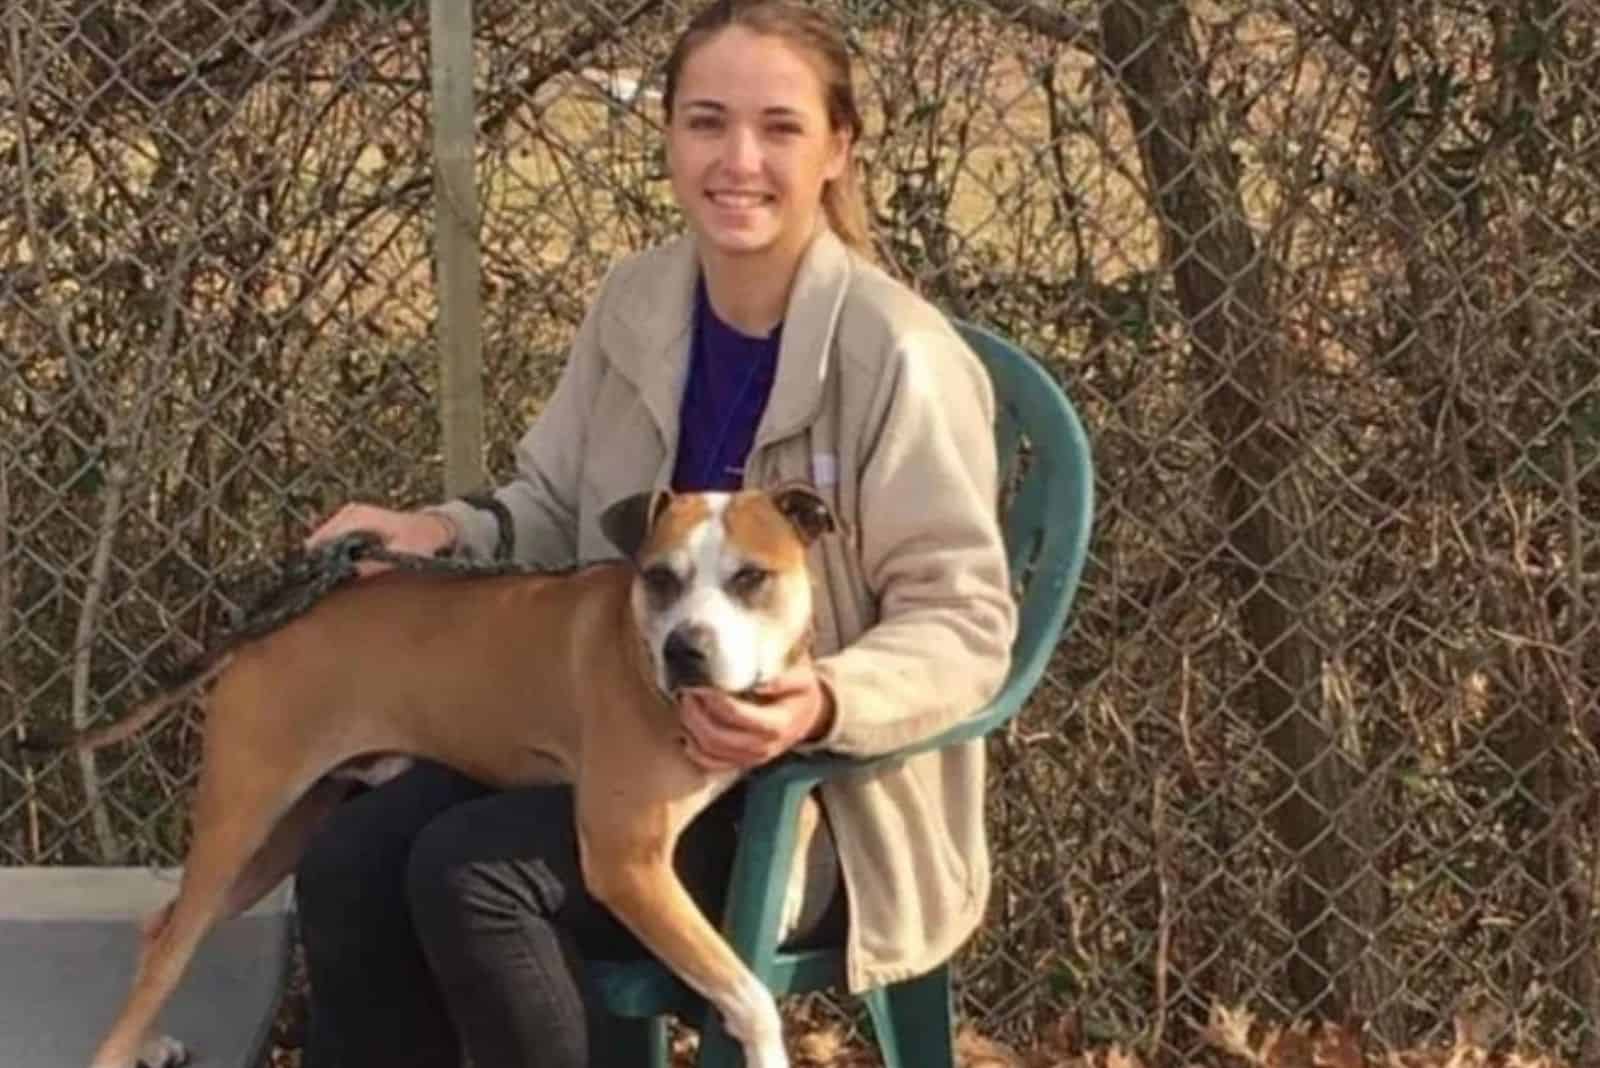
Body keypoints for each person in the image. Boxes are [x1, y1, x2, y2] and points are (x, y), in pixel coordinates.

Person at [294, 1, 1017, 1064]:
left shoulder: (898, 355)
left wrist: (822, 702)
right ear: (668, 137)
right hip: (609, 743)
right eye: (705, 122)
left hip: (812, 806)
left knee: (473, 873)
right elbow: (551, 503)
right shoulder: (635, 302)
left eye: (778, 127)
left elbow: (966, 622)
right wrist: (434, 530)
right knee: (354, 857)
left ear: (837, 149)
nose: (738, 159)